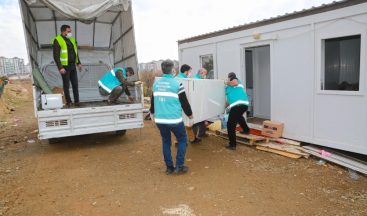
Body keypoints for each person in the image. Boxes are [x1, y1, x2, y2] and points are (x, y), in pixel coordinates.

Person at [150, 60, 193, 175]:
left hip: (160, 119)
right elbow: (184, 102)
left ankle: (169, 168)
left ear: (163, 69)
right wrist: (189, 114)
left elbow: (153, 101)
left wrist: (152, 113)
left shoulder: (156, 84)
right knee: (182, 140)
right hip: (174, 120)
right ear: (172, 69)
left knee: (166, 142)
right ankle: (179, 166)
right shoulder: (177, 84)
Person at [53, 24, 82, 108]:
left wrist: (78, 63)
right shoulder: (57, 40)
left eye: (70, 31)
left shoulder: (72, 40)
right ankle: (69, 102)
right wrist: (60, 67)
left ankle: (77, 101)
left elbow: (75, 53)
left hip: (73, 65)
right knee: (66, 85)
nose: (70, 33)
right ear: (63, 32)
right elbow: (56, 56)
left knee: (75, 84)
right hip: (65, 67)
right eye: (68, 31)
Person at [225, 72, 250, 150]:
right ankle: (246, 130)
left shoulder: (235, 80)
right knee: (239, 117)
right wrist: (225, 107)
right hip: (241, 106)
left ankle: (232, 145)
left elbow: (234, 82)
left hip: (238, 106)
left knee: (230, 124)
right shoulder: (228, 88)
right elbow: (229, 98)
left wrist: (226, 82)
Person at [190, 68, 208, 144]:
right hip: (196, 103)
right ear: (201, 73)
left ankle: (202, 133)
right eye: (204, 74)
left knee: (202, 118)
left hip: (200, 102)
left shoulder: (199, 79)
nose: (205, 75)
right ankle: (194, 138)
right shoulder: (196, 80)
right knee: (196, 120)